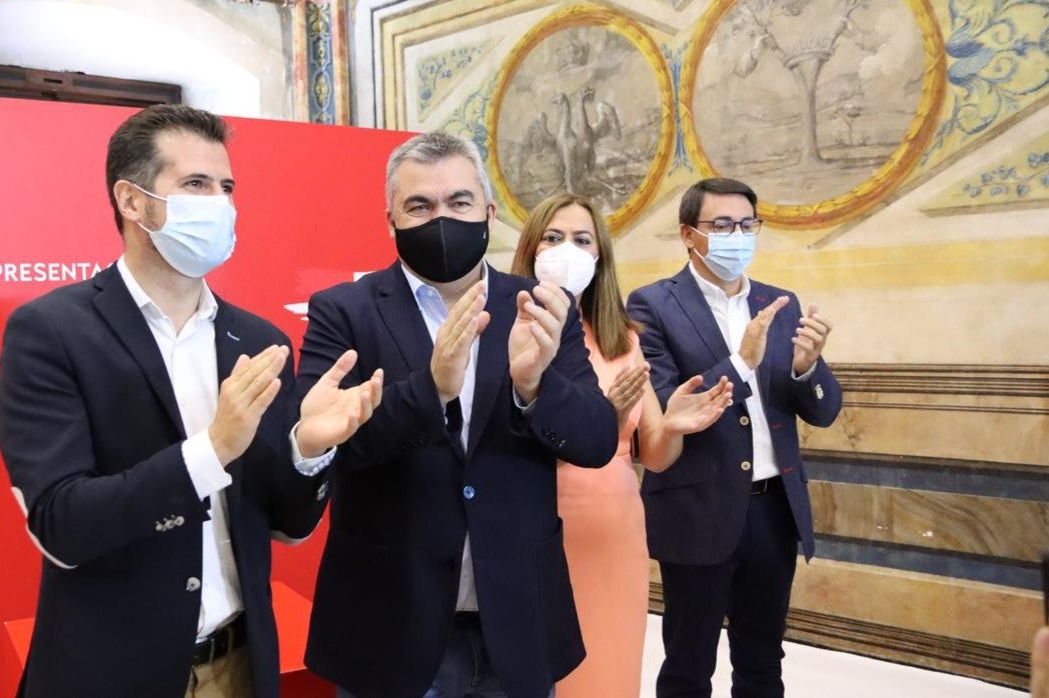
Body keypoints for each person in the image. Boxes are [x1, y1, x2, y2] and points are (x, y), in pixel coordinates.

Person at [0, 105, 383, 698]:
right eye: (196, 184)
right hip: (109, 671)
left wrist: (307, 448)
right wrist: (210, 450)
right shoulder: (51, 332)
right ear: (132, 200)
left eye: (226, 186)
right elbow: (62, 524)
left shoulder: (259, 341)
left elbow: (285, 524)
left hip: (238, 667)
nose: (220, 203)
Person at [297, 132, 618, 698]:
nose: (441, 218)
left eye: (459, 202)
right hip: (389, 625)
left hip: (517, 620)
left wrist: (533, 385)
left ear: (488, 212)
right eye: (419, 206)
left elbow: (594, 441)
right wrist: (430, 389)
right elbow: (329, 446)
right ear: (390, 220)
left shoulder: (542, 307)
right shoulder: (342, 311)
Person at [509, 193, 733, 697]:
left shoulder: (623, 337)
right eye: (554, 237)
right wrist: (596, 419)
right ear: (531, 249)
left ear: (600, 257)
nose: (568, 249)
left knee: (608, 666)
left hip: (615, 531)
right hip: (536, 519)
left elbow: (651, 452)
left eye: (582, 240)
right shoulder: (508, 328)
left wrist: (673, 426)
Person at [626, 177, 843, 698]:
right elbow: (665, 401)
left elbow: (825, 411)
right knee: (688, 664)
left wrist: (806, 368)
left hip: (773, 512)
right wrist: (742, 362)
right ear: (688, 234)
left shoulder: (780, 302)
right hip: (697, 506)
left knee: (763, 661)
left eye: (747, 225)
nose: (737, 235)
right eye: (721, 225)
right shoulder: (652, 304)